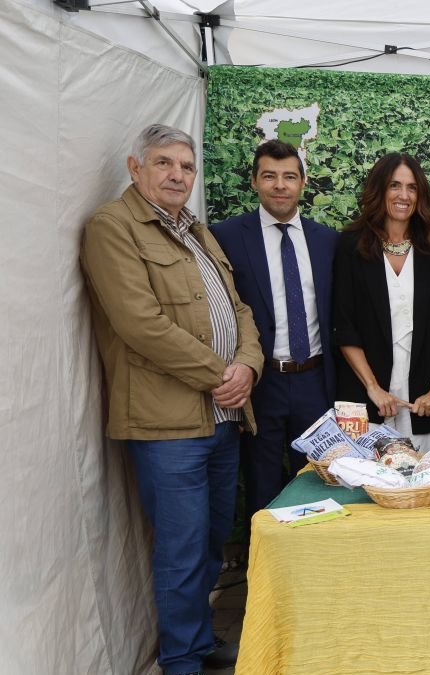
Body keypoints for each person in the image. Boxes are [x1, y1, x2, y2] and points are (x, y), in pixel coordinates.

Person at [79, 124, 262, 675]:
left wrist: (248, 366)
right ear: (136, 168)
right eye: (164, 164)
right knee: (181, 551)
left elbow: (241, 311)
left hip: (223, 415)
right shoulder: (112, 228)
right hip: (168, 425)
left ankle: (199, 643)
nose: (177, 174)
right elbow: (140, 324)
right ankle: (181, 660)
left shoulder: (196, 231)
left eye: (185, 166)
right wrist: (219, 373)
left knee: (209, 545)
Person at [210, 139, 337, 516]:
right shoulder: (226, 237)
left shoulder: (329, 241)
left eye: (289, 177)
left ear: (302, 182)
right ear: (254, 182)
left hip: (316, 381)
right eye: (270, 176)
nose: (280, 185)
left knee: (320, 482)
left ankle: (314, 568)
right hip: (261, 383)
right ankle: (265, 571)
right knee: (262, 487)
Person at [332, 153, 430, 453]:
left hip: (424, 403)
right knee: (372, 486)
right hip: (369, 399)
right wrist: (373, 389)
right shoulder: (351, 246)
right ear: (380, 190)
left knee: (426, 485)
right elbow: (343, 325)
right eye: (395, 185)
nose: (404, 195)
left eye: (412, 187)